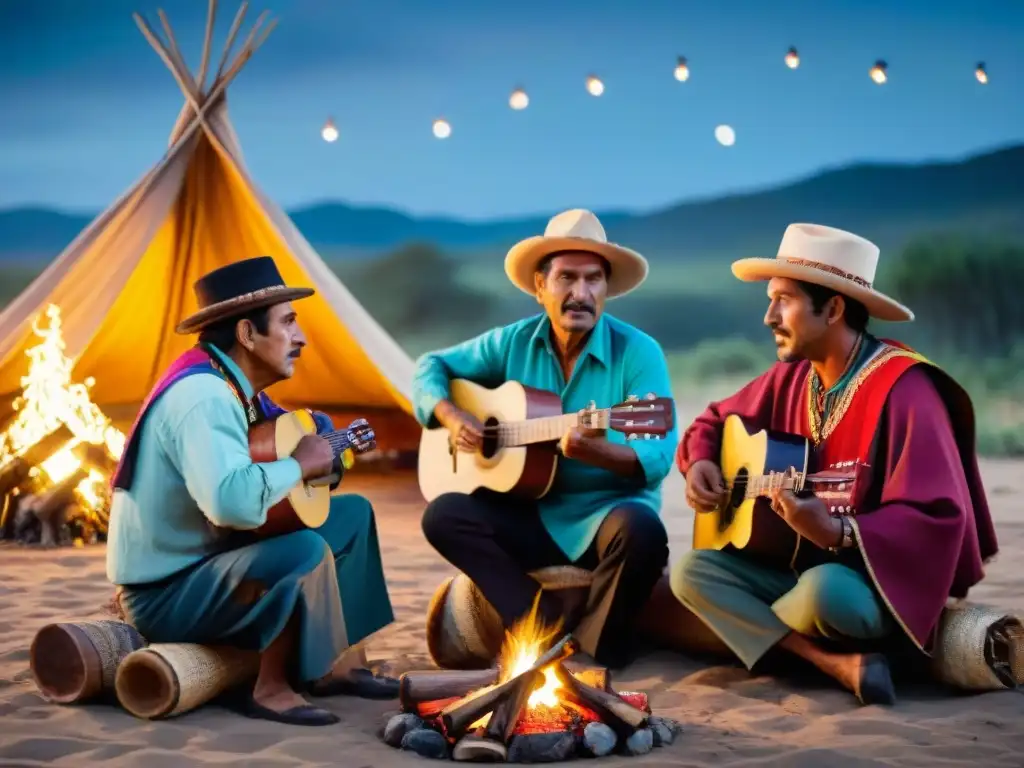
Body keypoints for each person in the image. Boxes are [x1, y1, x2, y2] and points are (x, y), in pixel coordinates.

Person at [670, 223, 998, 705]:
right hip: (798, 571)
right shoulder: (793, 377)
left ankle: (760, 635)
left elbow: (939, 518)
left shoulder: (906, 389)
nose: (769, 317)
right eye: (769, 301)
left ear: (834, 308)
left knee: (823, 592)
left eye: (783, 300)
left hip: (868, 585)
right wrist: (699, 461)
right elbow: (713, 419)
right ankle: (830, 661)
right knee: (692, 572)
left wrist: (839, 533)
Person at [105, 257, 399, 726]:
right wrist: (301, 463)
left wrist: (325, 455)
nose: (300, 338)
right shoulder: (203, 396)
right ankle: (270, 687)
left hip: (212, 564)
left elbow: (291, 450)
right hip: (166, 594)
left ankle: (339, 668)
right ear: (246, 334)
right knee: (301, 548)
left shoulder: (238, 391)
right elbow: (231, 505)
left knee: (353, 516)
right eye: (288, 323)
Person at [412, 209, 678, 669]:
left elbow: (656, 455)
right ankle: (539, 621)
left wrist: (599, 452)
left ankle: (597, 653)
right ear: (540, 287)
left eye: (594, 280)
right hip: (531, 513)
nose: (581, 293)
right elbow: (429, 366)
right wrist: (452, 416)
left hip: (604, 519)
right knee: (443, 515)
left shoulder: (638, 352)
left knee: (644, 531)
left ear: (606, 290)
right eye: (566, 278)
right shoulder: (511, 343)